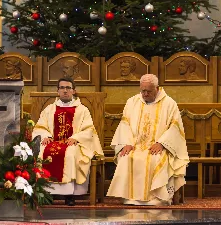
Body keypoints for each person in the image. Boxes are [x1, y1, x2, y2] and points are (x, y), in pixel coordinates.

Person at [107, 74, 189, 206]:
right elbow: (125, 124)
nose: (145, 94)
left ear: (156, 88)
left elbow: (175, 127)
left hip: (158, 146)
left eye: (148, 91)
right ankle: (129, 198)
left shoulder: (169, 103)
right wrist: (126, 143)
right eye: (142, 90)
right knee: (126, 157)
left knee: (156, 159)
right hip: (135, 145)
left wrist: (162, 143)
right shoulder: (132, 102)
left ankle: (157, 198)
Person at [32, 77, 103, 206]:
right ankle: (48, 194)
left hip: (73, 143)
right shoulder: (49, 109)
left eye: (68, 88)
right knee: (44, 151)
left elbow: (89, 130)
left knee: (70, 154)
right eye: (62, 88)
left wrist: (76, 138)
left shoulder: (82, 110)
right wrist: (46, 136)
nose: (65, 91)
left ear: (74, 91)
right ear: (57, 91)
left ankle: (70, 195)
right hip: (53, 141)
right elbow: (40, 127)